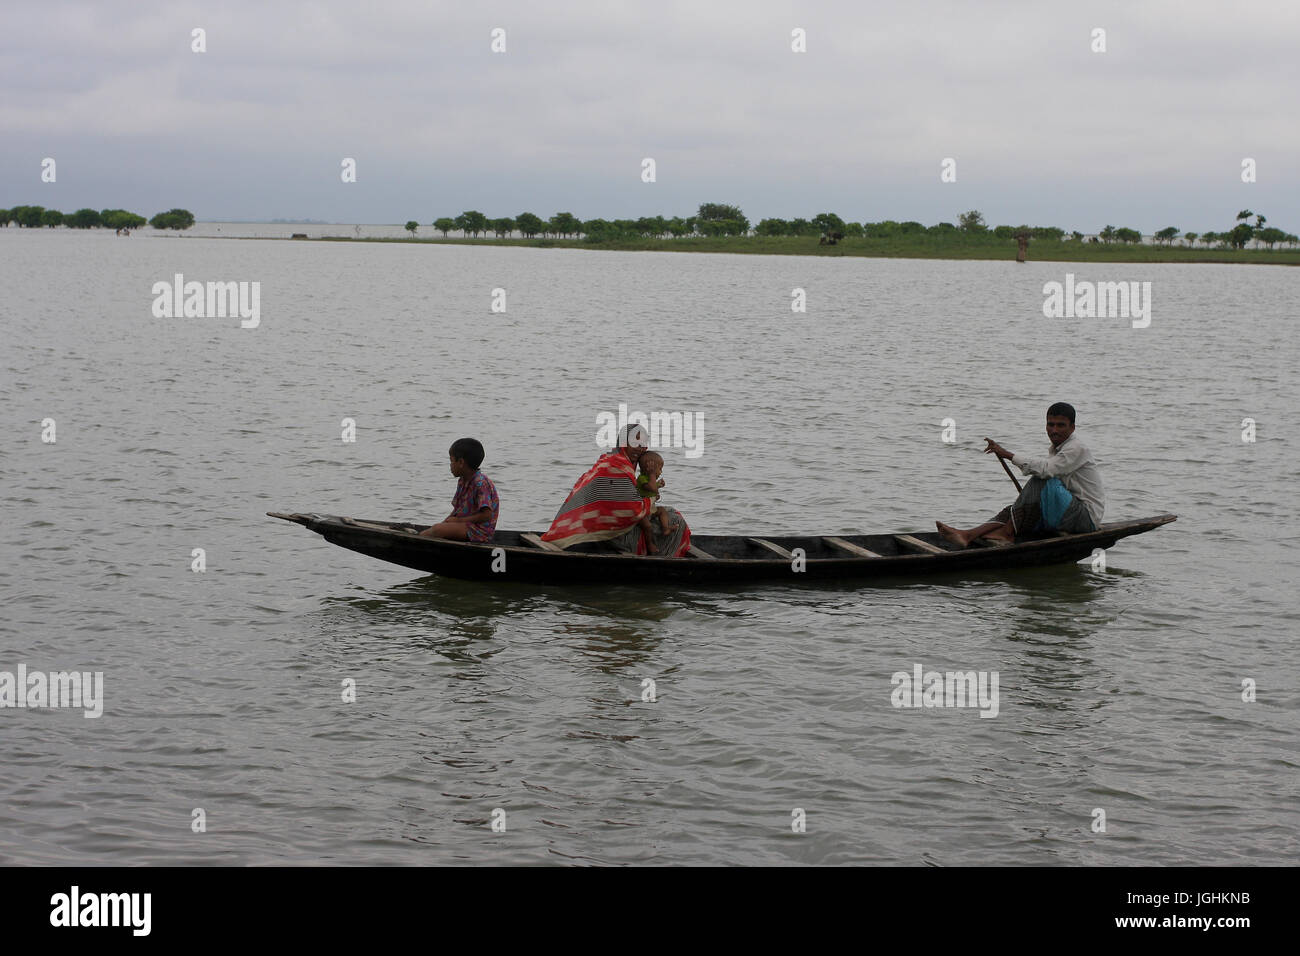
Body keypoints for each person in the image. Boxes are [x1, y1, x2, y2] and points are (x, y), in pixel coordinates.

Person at [936, 402, 1105, 548]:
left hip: (1085, 519)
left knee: (1043, 478)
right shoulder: (1058, 449)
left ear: (1072, 427)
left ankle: (1007, 532)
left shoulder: (1076, 448)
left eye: (1060, 425)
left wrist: (1008, 455)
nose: (1054, 430)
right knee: (1015, 509)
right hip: (1066, 512)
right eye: (1050, 424)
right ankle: (968, 534)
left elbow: (1047, 470)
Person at [541, 424, 691, 556]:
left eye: (642, 444)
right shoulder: (617, 466)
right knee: (676, 520)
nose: (639, 448)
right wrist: (651, 498)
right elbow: (634, 510)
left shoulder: (609, 460)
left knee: (668, 512)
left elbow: (627, 501)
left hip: (601, 526)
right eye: (634, 442)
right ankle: (657, 554)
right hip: (613, 536)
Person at [419, 437, 499, 542]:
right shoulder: (462, 481)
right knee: (438, 528)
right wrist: (446, 523)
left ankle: (417, 538)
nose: (450, 465)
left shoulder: (481, 483)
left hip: (479, 532)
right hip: (465, 525)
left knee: (438, 530)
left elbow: (487, 515)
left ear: (461, 462)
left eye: (451, 461)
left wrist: (458, 521)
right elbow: (458, 510)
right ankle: (420, 536)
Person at [635, 451, 674, 552]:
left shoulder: (649, 479)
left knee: (662, 511)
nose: (660, 472)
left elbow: (653, 487)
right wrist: (652, 474)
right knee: (648, 527)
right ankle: (650, 544)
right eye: (659, 469)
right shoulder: (642, 479)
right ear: (650, 469)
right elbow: (652, 488)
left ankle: (666, 528)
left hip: (650, 509)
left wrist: (659, 484)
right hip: (642, 512)